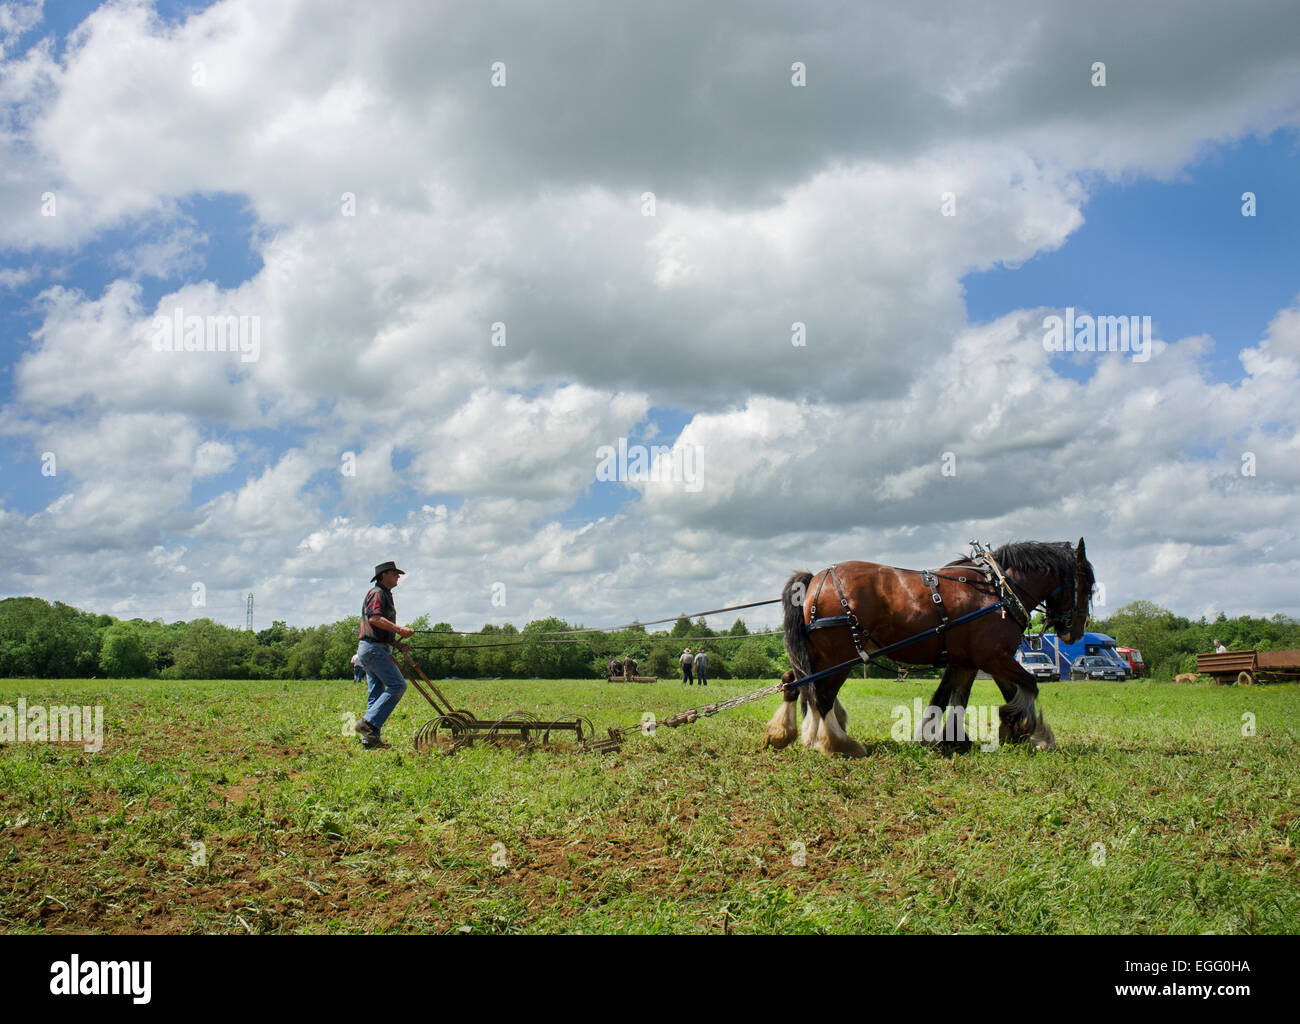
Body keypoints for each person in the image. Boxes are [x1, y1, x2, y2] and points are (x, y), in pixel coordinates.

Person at [353, 560, 416, 749]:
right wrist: (399, 629)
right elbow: (374, 618)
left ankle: (370, 742)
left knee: (376, 693)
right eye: (394, 573)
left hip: (373, 647)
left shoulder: (385, 594)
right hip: (373, 649)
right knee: (398, 685)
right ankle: (368, 723)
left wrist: (396, 643)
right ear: (383, 576)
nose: (398, 577)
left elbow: (378, 626)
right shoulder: (377, 593)